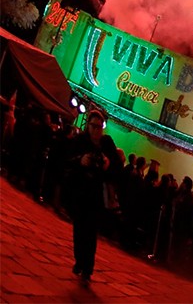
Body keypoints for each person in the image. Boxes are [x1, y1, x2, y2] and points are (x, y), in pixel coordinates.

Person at [66, 109, 118, 285]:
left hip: (97, 194)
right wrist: (81, 160)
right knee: (79, 229)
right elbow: (68, 160)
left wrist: (108, 164)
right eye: (93, 126)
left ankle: (87, 268)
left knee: (91, 232)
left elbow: (117, 167)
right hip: (81, 191)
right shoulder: (80, 141)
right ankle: (79, 261)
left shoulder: (107, 143)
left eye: (99, 126)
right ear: (88, 126)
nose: (96, 130)